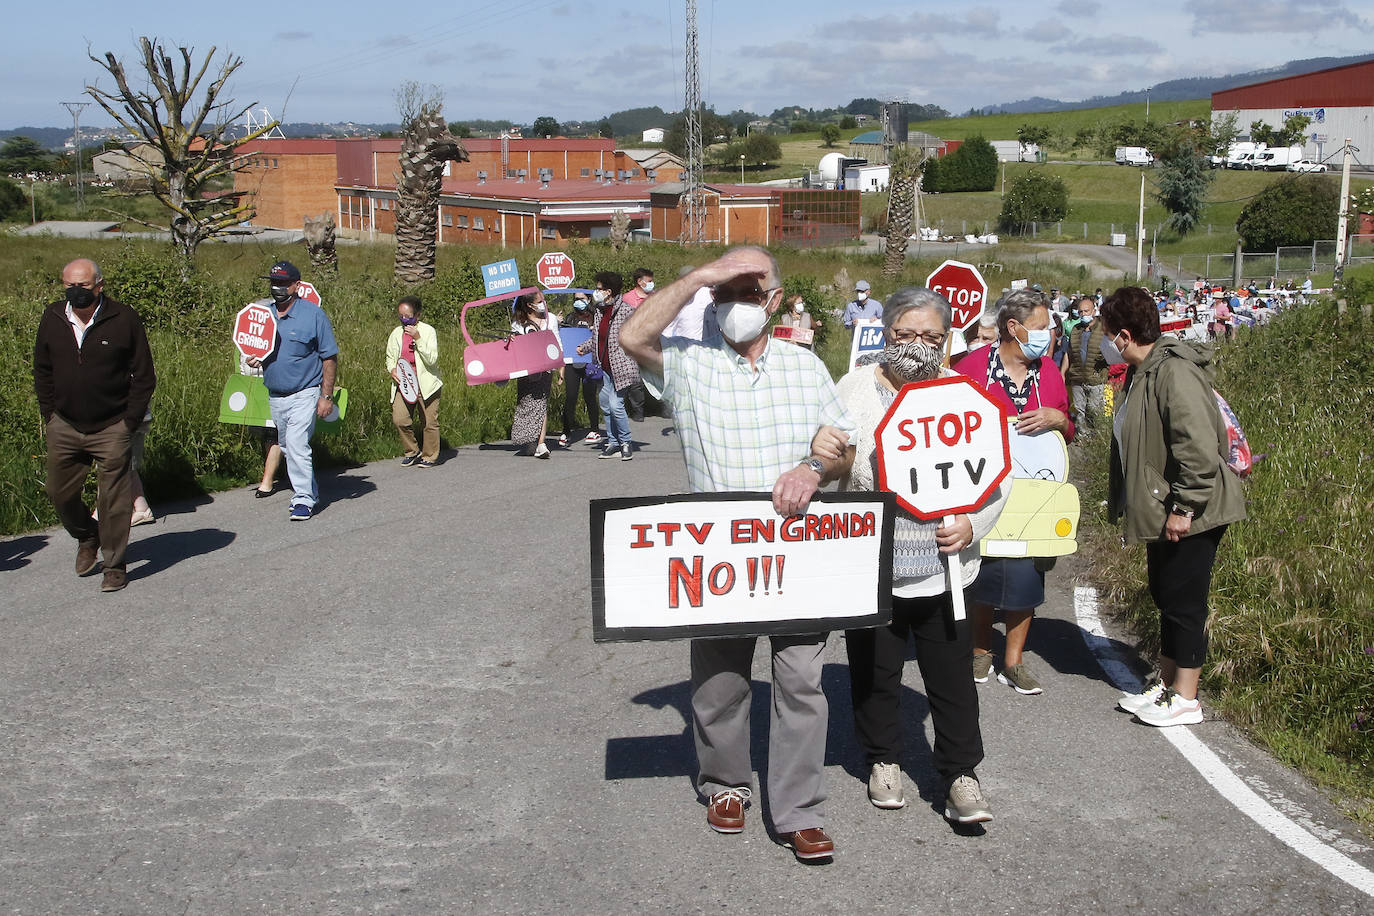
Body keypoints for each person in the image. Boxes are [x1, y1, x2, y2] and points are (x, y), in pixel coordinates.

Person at [618, 246, 857, 863]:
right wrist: (701, 277)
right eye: (726, 293)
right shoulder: (689, 366)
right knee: (721, 682)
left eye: (750, 292)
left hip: (798, 555)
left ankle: (799, 810)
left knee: (802, 681)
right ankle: (725, 784)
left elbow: (843, 455)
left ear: (775, 301)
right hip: (720, 561)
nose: (736, 304)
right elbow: (630, 333)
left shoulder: (805, 369)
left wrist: (814, 466)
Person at [821, 286, 1009, 823]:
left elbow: (998, 477)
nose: (916, 345)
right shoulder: (852, 388)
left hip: (943, 571)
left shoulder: (963, 393)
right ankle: (883, 760)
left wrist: (974, 525)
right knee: (875, 673)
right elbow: (828, 453)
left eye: (929, 335)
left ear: (946, 339)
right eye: (905, 333)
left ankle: (960, 774)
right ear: (886, 333)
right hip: (872, 564)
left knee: (950, 679)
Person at [1101, 287, 1246, 726]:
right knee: (1166, 594)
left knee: (1185, 601)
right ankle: (1166, 685)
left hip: (1191, 507)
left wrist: (1184, 506)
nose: (1107, 342)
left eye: (1109, 334)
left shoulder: (1174, 372)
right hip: (1165, 504)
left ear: (1123, 335)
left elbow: (1197, 447)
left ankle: (1187, 696)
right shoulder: (1142, 371)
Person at [954, 288, 1074, 695]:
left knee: (1027, 577)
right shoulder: (970, 369)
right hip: (983, 491)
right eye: (1039, 328)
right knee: (985, 572)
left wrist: (1059, 417)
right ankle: (980, 649)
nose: (1047, 335)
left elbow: (1068, 430)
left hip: (1035, 494)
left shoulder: (1051, 373)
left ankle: (1015, 661)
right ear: (1012, 327)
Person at [33, 257, 156, 593]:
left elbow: (144, 376)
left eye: (83, 286)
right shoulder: (53, 317)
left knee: (114, 499)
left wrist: (129, 421)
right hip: (65, 424)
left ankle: (114, 566)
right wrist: (50, 415)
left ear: (99, 285)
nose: (76, 292)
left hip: (112, 425)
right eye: (69, 285)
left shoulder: (123, 318)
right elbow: (42, 370)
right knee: (58, 492)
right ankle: (87, 534)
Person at [249, 260, 338, 522]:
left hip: (306, 391)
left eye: (283, 283)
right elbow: (254, 350)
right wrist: (253, 358)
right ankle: (309, 490)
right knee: (287, 446)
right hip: (276, 394)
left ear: (296, 286)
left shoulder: (313, 315)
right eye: (274, 283)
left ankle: (302, 500)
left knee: (297, 444)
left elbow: (329, 358)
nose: (277, 288)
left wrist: (326, 396)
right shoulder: (263, 315)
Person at [578, 271, 637, 460]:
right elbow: (599, 337)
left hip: (621, 366)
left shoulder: (626, 311)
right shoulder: (599, 311)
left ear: (609, 291)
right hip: (602, 367)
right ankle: (613, 443)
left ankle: (626, 442)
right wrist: (585, 347)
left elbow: (639, 335)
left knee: (616, 404)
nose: (596, 292)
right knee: (605, 405)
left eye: (599, 289)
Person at [386, 296, 442, 468]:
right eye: (401, 316)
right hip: (404, 384)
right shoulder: (396, 333)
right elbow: (390, 357)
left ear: (417, 315)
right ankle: (412, 450)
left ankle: (430, 455)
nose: (404, 320)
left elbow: (432, 359)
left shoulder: (428, 331)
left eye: (408, 317)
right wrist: (392, 369)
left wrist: (417, 338)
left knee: (429, 422)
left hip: (426, 384)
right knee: (400, 419)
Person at [510, 290, 560, 459]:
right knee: (526, 403)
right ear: (530, 305)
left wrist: (561, 367)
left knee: (540, 402)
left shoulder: (550, 318)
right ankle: (529, 439)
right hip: (525, 369)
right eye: (540, 301)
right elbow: (515, 345)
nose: (543, 303)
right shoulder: (519, 323)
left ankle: (541, 443)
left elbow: (557, 341)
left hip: (545, 367)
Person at [558, 293, 601, 447]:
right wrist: (559, 324)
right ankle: (566, 432)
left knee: (590, 395)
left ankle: (595, 429)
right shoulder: (570, 317)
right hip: (572, 362)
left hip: (589, 361)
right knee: (570, 397)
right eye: (576, 299)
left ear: (589, 300)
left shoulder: (596, 316)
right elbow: (563, 341)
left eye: (582, 299)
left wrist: (594, 329)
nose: (578, 302)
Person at [1065, 295, 1110, 433]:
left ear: (1094, 311)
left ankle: (1098, 437)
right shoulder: (1075, 330)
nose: (1083, 314)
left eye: (1086, 311)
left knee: (1095, 410)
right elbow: (1069, 353)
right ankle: (1083, 437)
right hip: (1077, 376)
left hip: (1095, 378)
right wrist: (1062, 373)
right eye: (1080, 312)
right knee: (1079, 410)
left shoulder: (1103, 329)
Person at [620, 268, 655, 420]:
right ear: (639, 282)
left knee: (654, 376)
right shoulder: (627, 298)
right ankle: (637, 411)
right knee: (635, 379)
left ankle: (655, 407)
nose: (652, 284)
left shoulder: (655, 296)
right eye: (649, 281)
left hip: (653, 342)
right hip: (633, 343)